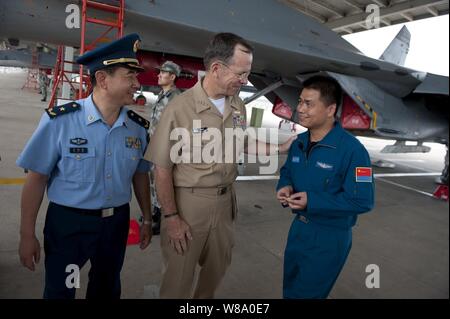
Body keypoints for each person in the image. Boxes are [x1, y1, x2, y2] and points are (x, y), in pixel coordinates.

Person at [145, 32, 294, 298]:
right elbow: (162, 168)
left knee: (215, 274)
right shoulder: (179, 108)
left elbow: (242, 141)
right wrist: (172, 218)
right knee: (178, 280)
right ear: (216, 68)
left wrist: (280, 148)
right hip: (189, 206)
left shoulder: (237, 104)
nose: (245, 80)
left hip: (225, 204)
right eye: (241, 73)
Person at [16, 33, 152, 299]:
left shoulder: (137, 128)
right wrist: (26, 234)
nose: (137, 83)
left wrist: (146, 218)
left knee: (106, 288)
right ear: (102, 79)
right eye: (129, 76)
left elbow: (140, 174)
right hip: (70, 225)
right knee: (63, 290)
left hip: (115, 224)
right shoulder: (60, 121)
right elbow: (36, 179)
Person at [276, 75, 375, 299]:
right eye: (300, 101)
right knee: (289, 290)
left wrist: (313, 201)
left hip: (329, 238)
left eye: (309, 104)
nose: (300, 108)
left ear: (330, 109)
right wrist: (285, 186)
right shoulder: (299, 142)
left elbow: (363, 201)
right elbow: (287, 172)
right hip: (298, 230)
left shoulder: (355, 151)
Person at [149, 60, 182, 235]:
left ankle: (162, 218)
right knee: (153, 181)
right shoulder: (162, 94)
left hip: (166, 147)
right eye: (160, 72)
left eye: (163, 72)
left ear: (172, 76)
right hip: (155, 145)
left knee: (163, 181)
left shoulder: (177, 98)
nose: (159, 75)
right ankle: (155, 213)